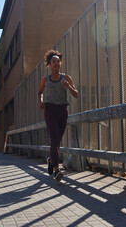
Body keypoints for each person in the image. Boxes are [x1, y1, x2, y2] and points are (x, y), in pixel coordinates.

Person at [38, 50, 78, 182]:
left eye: (58, 61)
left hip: (62, 110)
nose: (56, 63)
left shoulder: (66, 78)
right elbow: (40, 92)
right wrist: (41, 101)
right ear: (49, 64)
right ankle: (56, 170)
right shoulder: (45, 80)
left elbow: (76, 94)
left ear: (60, 64)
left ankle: (51, 160)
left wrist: (69, 87)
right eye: (53, 61)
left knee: (57, 142)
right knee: (54, 140)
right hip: (50, 110)